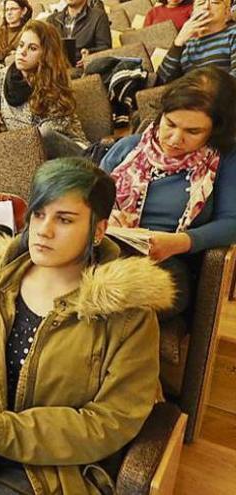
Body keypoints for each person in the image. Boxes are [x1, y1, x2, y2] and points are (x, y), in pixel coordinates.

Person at [0, 157, 174, 495]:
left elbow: (112, 420)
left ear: (98, 230)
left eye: (64, 219)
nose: (44, 230)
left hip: (56, 462)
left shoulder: (128, 313)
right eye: (39, 214)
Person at [100, 66, 236, 318]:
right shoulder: (127, 149)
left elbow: (231, 223)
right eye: (170, 124)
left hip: (168, 261)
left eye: (193, 132)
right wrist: (106, 215)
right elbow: (88, 199)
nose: (174, 139)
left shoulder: (224, 160)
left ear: (215, 130)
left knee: (127, 297)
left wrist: (178, 243)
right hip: (108, 246)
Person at [0, 20, 88, 158]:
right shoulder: (6, 74)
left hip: (68, 151)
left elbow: (45, 137)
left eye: (32, 48)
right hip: (27, 152)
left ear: (45, 54)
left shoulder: (55, 82)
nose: (22, 52)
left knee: (44, 134)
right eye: (21, 45)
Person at [156, 0, 236, 84]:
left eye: (214, 2)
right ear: (193, 12)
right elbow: (160, 82)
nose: (206, 7)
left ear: (227, 11)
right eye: (200, 3)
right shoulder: (186, 43)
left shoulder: (233, 33)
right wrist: (178, 42)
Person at [48, 0, 113, 67]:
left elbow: (105, 49)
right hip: (57, 68)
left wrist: (89, 53)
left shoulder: (98, 16)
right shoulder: (52, 20)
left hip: (82, 69)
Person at [0, 0, 34, 64]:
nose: (9, 13)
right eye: (7, 10)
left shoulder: (29, 32)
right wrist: (8, 52)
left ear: (24, 11)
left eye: (13, 9)